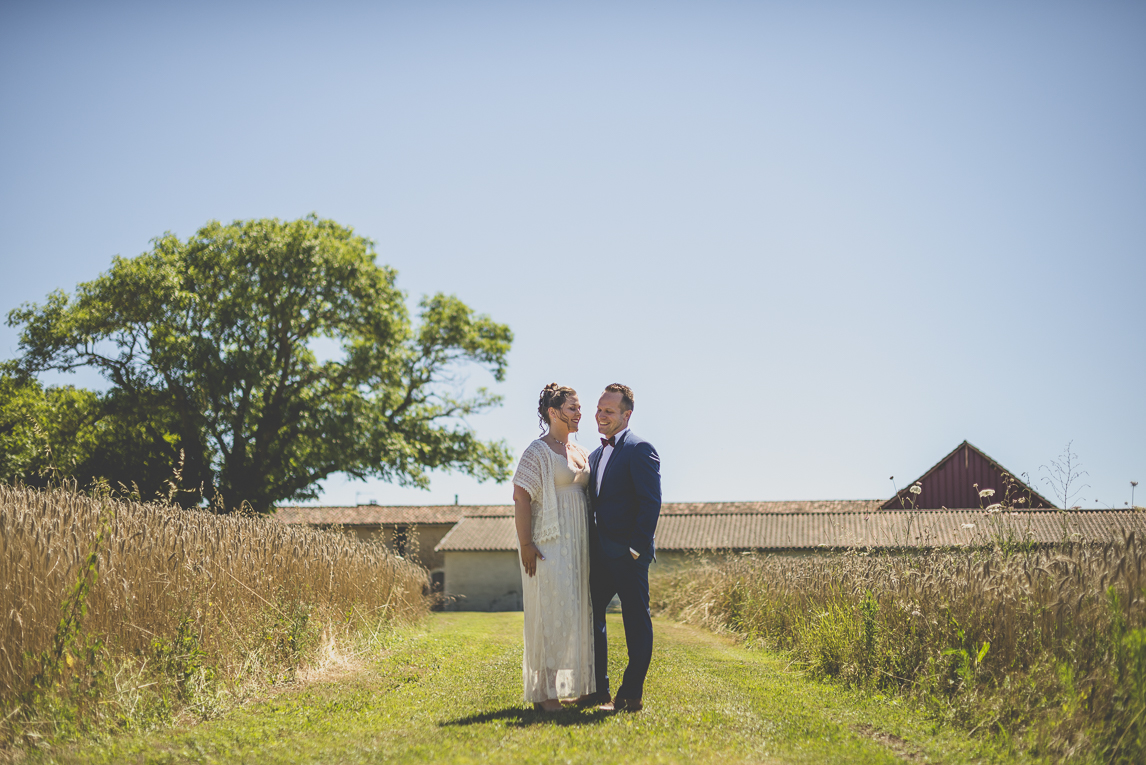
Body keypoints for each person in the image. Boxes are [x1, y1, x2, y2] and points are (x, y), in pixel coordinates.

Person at [511, 383, 595, 711]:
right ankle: (545, 693)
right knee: (551, 612)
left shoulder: (581, 451)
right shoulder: (537, 451)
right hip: (549, 544)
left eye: (578, 407)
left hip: (581, 545)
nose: (579, 413)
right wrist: (525, 543)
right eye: (573, 408)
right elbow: (520, 497)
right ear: (553, 412)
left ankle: (582, 686)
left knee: (576, 613)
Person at [580, 383, 661, 713]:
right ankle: (599, 691)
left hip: (629, 555)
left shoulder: (641, 448)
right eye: (599, 409)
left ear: (626, 415)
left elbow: (650, 502)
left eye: (609, 410)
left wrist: (636, 549)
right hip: (600, 555)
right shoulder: (596, 455)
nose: (601, 415)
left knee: (635, 622)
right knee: (590, 618)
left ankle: (630, 695)